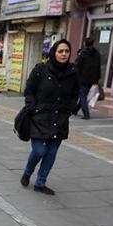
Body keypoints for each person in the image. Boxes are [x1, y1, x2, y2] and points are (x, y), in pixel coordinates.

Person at [19, 39, 79, 195]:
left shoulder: (73, 72)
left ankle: (40, 183)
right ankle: (27, 172)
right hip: (40, 117)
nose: (64, 54)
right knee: (39, 151)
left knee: (51, 152)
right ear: (54, 52)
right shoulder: (41, 69)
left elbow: (75, 94)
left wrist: (70, 109)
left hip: (59, 119)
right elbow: (29, 90)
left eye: (67, 51)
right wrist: (32, 107)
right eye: (61, 51)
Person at [74, 37, 101, 119]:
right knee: (83, 95)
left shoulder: (83, 53)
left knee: (82, 95)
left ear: (85, 43)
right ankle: (75, 110)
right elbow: (98, 66)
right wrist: (97, 78)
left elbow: (78, 66)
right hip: (92, 78)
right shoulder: (97, 53)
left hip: (83, 78)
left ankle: (86, 114)